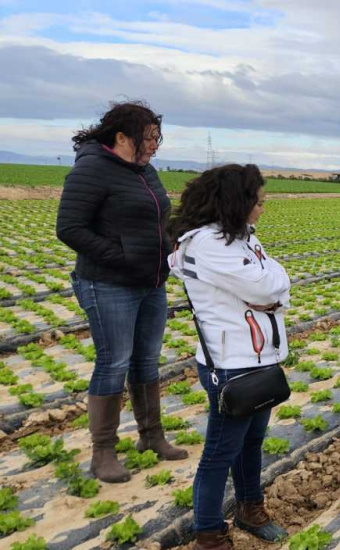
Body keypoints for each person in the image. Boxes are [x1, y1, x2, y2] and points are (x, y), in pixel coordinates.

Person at [55, 101, 187, 484]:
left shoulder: (146, 171)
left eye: (157, 138)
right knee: (113, 362)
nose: (155, 145)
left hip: (151, 282)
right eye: (149, 138)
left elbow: (160, 218)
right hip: (108, 283)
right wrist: (124, 257)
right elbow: (70, 228)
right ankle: (104, 452)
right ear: (121, 137)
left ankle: (151, 437)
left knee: (147, 361)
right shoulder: (93, 168)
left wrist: (173, 244)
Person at [166, 164, 290, 549]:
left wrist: (270, 286)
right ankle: (209, 533)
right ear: (237, 202)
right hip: (231, 363)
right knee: (219, 453)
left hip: (258, 358)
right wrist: (271, 284)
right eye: (258, 201)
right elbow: (270, 288)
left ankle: (250, 509)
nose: (262, 209)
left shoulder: (240, 238)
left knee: (252, 442)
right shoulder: (208, 244)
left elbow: (271, 290)